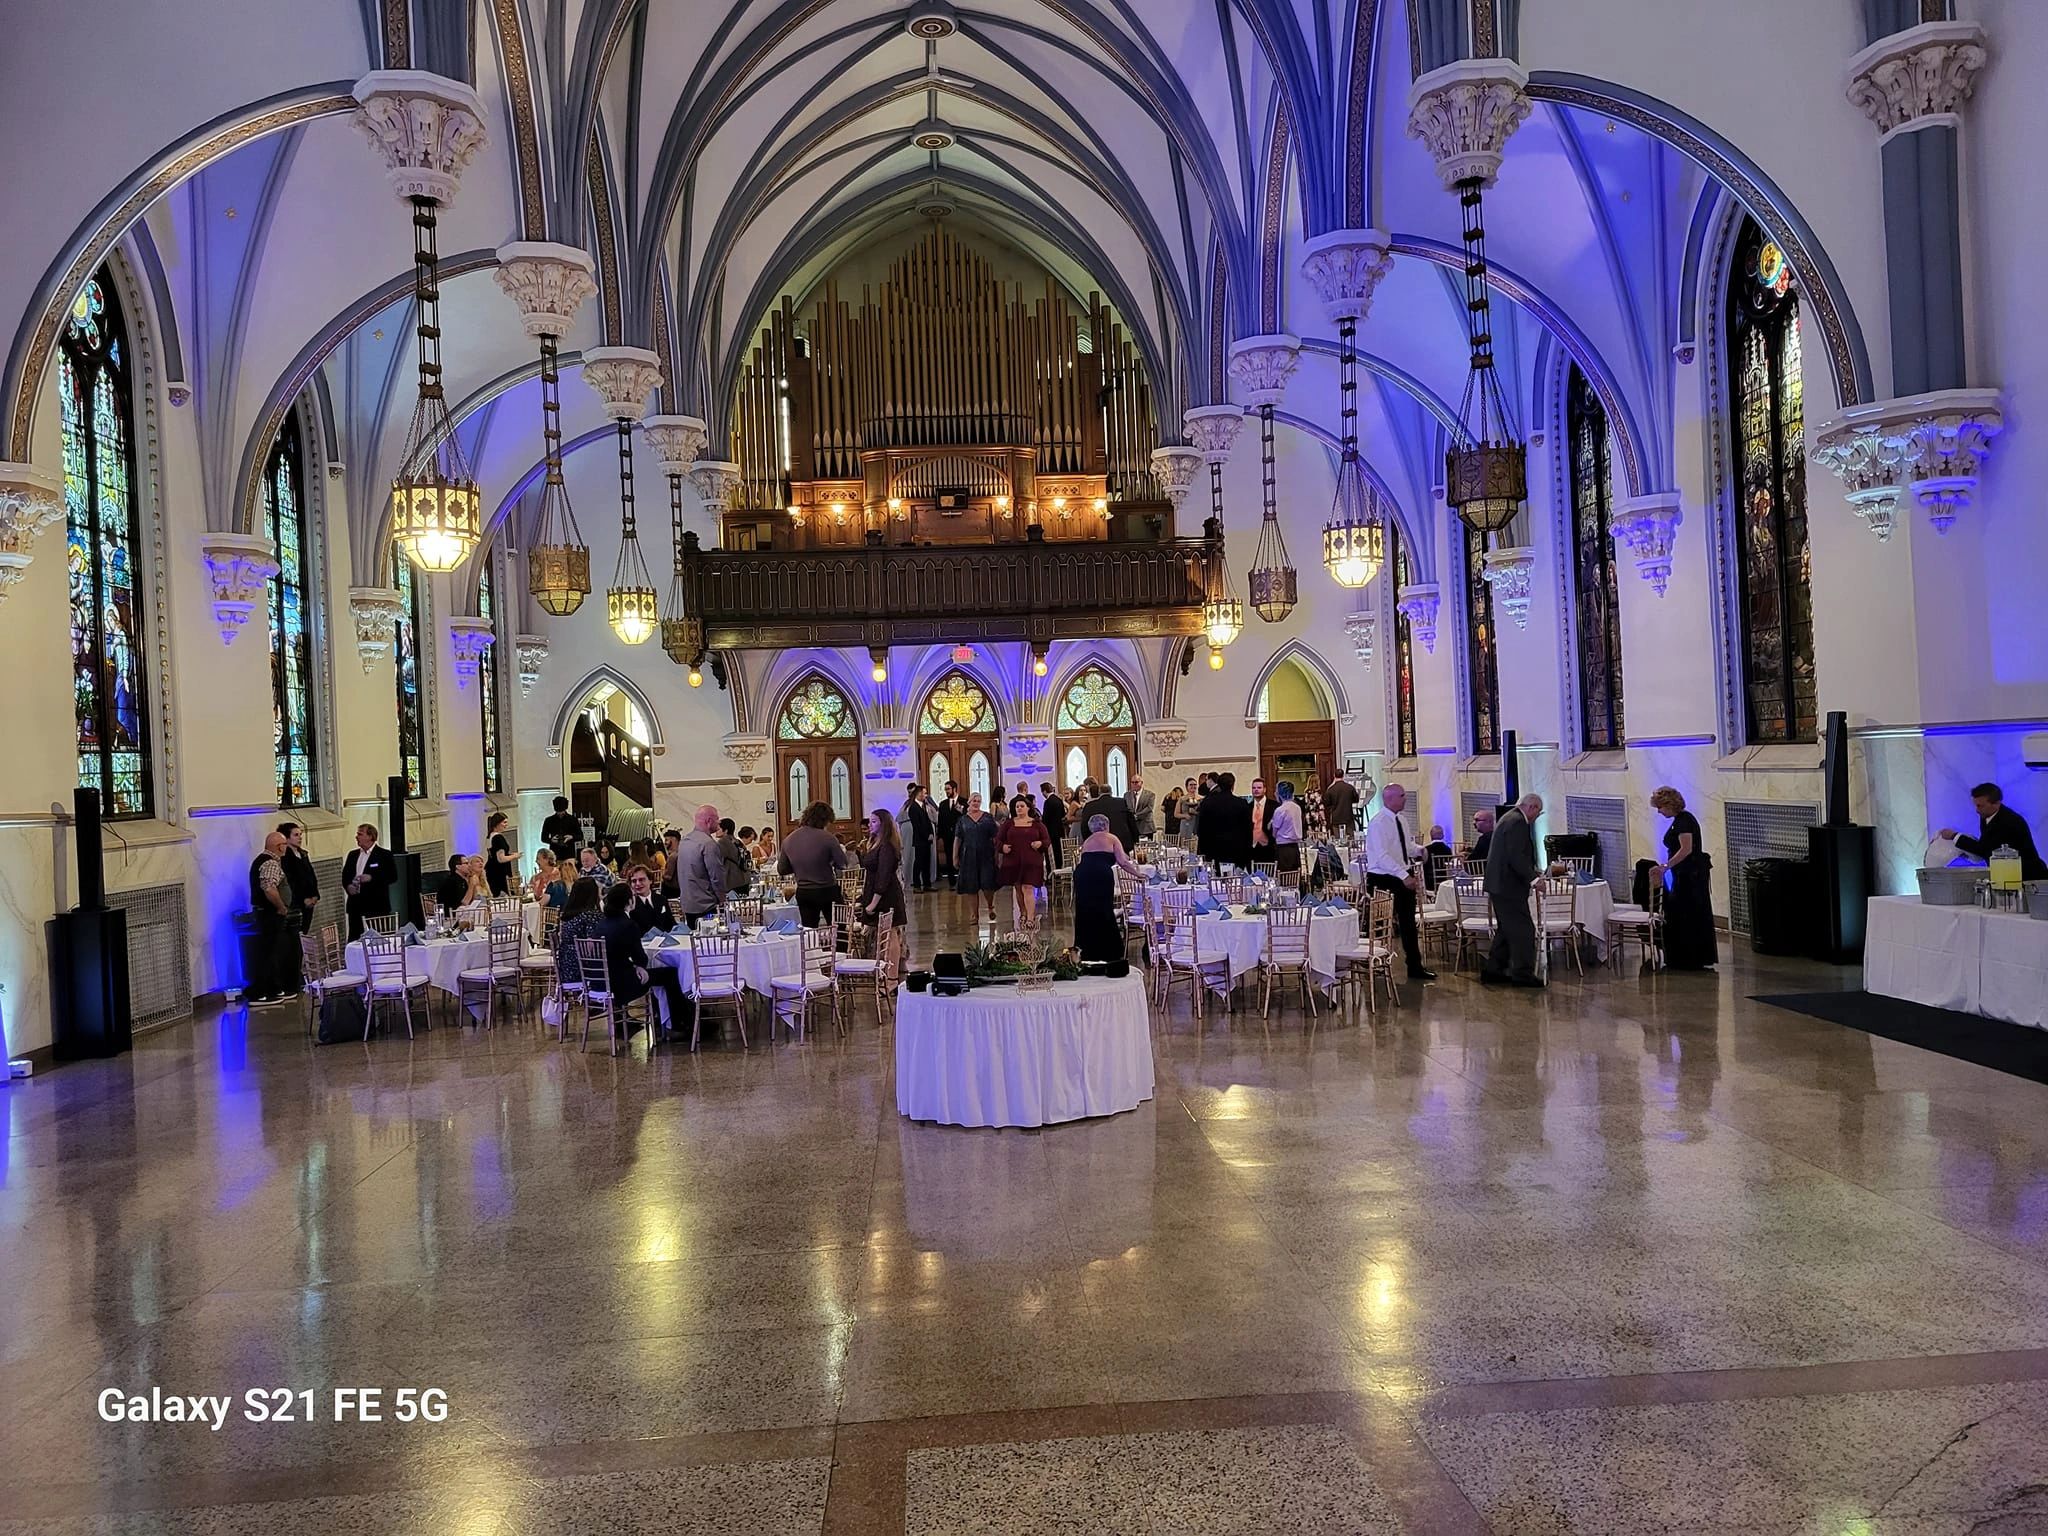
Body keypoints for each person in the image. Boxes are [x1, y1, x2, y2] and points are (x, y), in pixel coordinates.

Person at [594, 882, 686, 1042]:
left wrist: (636, 966)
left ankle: (664, 1020)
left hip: (601, 982)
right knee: (670, 974)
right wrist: (639, 966)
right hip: (622, 985)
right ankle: (676, 1024)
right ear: (629, 901)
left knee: (656, 974)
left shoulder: (601, 924)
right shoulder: (628, 925)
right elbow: (641, 957)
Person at [1362, 784, 1435, 983]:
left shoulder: (1401, 819)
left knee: (1408, 923)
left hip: (1402, 873)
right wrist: (1403, 876)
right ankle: (1372, 963)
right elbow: (1382, 856)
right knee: (1380, 923)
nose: (1405, 799)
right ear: (1390, 799)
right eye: (1402, 796)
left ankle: (1415, 966)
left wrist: (1419, 850)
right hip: (1383, 877)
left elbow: (1405, 846)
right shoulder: (1378, 823)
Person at [1651, 786, 1719, 970]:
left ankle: (1690, 957)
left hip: (1691, 875)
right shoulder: (1680, 820)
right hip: (1685, 873)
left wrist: (1666, 866)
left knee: (1687, 914)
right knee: (1683, 913)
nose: (1659, 811)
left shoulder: (1684, 821)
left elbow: (1686, 849)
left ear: (1668, 804)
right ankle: (1684, 957)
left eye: (1660, 807)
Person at [1482, 794, 1545, 988]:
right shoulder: (1517, 822)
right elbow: (1516, 856)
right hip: (1508, 886)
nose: (1537, 817)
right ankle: (1522, 974)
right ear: (1532, 807)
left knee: (1507, 929)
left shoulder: (1508, 818)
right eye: (1539, 812)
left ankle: (1493, 970)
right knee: (1524, 930)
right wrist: (1534, 879)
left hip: (1500, 885)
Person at [1941, 781, 2048, 882]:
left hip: (2027, 877)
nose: (1977, 810)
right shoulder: (1988, 815)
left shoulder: (2008, 821)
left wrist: (1954, 836)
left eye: (1980, 806)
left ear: (1996, 804)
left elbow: (1984, 849)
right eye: (1976, 805)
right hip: (2009, 875)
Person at [1072, 813, 1142, 963]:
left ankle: (1086, 949)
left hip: (1081, 874)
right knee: (1104, 908)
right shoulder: (1112, 838)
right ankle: (1108, 950)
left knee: (1085, 910)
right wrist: (1138, 874)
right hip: (1101, 874)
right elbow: (1123, 862)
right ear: (1107, 825)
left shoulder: (1087, 841)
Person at [779, 801, 853, 926]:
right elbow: (843, 864)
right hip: (828, 889)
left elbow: (782, 869)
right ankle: (838, 940)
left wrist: (799, 866)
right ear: (825, 820)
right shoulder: (828, 838)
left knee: (809, 930)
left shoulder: (788, 840)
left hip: (804, 891)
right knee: (839, 927)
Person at [247, 830, 298, 1005]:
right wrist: (281, 907)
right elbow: (269, 888)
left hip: (267, 914)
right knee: (268, 953)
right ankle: (261, 992)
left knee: (272, 952)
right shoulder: (270, 863)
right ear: (279, 847)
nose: (286, 848)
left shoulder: (264, 860)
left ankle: (274, 988)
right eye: (285, 845)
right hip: (270, 914)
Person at [996, 794, 1050, 930]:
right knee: (1018, 888)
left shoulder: (1037, 824)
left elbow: (1047, 840)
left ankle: (1031, 917)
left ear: (1028, 808)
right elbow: (998, 840)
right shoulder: (1009, 824)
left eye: (1022, 806)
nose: (1019, 808)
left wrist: (1040, 843)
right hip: (1013, 861)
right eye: (1017, 806)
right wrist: (1003, 847)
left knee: (1028, 888)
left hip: (1031, 861)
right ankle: (1023, 912)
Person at [672, 804, 727, 927]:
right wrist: (722, 899)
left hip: (688, 903)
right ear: (709, 821)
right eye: (717, 819)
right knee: (711, 937)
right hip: (706, 904)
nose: (719, 822)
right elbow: (716, 876)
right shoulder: (708, 844)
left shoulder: (684, 842)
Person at [953, 790, 1002, 927]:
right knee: (971, 886)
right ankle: (974, 915)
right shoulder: (962, 820)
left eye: (978, 801)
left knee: (987, 884)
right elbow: (957, 839)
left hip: (986, 855)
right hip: (968, 856)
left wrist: (998, 855)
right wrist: (955, 856)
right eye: (974, 801)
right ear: (969, 802)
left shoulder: (987, 818)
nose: (976, 803)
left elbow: (995, 838)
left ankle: (990, 906)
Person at [340, 823, 395, 940]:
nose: (356, 837)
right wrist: (349, 886)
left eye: (360, 834)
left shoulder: (384, 855)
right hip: (356, 904)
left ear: (370, 836)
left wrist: (371, 878)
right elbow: (345, 876)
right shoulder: (353, 855)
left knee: (379, 939)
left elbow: (392, 876)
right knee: (355, 938)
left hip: (376, 905)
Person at [860, 807, 908, 930]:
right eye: (870, 821)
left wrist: (873, 904)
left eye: (874, 822)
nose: (869, 825)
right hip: (873, 893)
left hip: (886, 897)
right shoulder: (875, 843)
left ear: (883, 825)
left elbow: (883, 876)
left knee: (889, 934)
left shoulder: (886, 847)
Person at [277, 821, 319, 935]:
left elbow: (311, 875)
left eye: (300, 835)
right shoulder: (285, 857)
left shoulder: (303, 854)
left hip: (310, 900)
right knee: (297, 933)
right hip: (296, 903)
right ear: (286, 838)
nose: (300, 838)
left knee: (305, 931)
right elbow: (291, 881)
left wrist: (315, 895)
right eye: (296, 835)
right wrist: (303, 899)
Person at [1078, 778, 1138, 852]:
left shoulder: (1090, 806)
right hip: (1122, 841)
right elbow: (1131, 821)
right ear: (1111, 792)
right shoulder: (1121, 802)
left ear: (1099, 793)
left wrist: (1088, 840)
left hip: (1099, 844)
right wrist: (1135, 839)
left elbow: (1084, 826)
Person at [1194, 771, 1239, 865]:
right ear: (1233, 785)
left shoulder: (1209, 801)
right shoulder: (1240, 803)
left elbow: (1202, 827)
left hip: (1212, 844)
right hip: (1232, 845)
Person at [623, 862, 676, 937]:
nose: (638, 884)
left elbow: (671, 923)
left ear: (650, 880)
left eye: (641, 880)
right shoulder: (630, 905)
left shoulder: (661, 899)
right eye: (634, 881)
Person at [903, 784, 934, 892]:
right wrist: (926, 835)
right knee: (919, 862)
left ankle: (927, 884)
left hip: (927, 840)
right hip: (920, 840)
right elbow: (917, 825)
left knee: (926, 863)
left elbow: (927, 821)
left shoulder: (923, 806)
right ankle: (917, 885)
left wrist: (931, 833)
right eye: (924, 793)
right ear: (919, 793)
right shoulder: (913, 808)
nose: (926, 795)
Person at [1269, 782, 1304, 876]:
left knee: (1284, 876)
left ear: (1279, 793)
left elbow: (1274, 831)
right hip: (1295, 847)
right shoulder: (1297, 808)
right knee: (1295, 876)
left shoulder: (1280, 810)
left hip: (1283, 848)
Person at [716, 817, 754, 896]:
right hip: (744, 880)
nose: (716, 830)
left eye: (718, 829)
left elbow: (717, 862)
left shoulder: (722, 842)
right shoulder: (738, 842)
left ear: (725, 831)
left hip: (733, 882)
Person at [935, 781, 962, 888]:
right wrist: (940, 836)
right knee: (949, 857)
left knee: (961, 856)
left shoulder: (964, 802)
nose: (946, 791)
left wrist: (961, 810)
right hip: (947, 836)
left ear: (954, 789)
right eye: (945, 789)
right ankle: (951, 882)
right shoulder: (943, 804)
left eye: (948, 789)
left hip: (960, 836)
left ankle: (962, 880)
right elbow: (941, 821)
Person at [485, 811, 516, 897]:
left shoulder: (489, 837)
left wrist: (509, 855)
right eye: (504, 822)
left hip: (492, 871)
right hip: (500, 872)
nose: (506, 825)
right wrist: (514, 856)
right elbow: (501, 859)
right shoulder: (498, 838)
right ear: (497, 823)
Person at [540, 796, 580, 860]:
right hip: (555, 854)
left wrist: (571, 837)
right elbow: (543, 838)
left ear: (565, 808)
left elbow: (580, 836)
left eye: (562, 811)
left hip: (569, 854)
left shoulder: (573, 820)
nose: (560, 813)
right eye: (558, 811)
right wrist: (551, 840)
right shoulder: (549, 820)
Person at [1322, 771, 1360, 839]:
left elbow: (1326, 804)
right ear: (1343, 775)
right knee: (1350, 839)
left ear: (1334, 775)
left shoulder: (1331, 789)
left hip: (1336, 817)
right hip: (1348, 816)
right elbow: (1356, 800)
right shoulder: (1350, 788)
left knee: (1337, 839)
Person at [1040, 782, 1068, 872]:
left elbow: (1045, 818)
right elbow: (1063, 814)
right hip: (1059, 830)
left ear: (1044, 791)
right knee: (1058, 851)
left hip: (1050, 831)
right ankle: (1060, 868)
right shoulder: (1059, 800)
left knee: (1050, 853)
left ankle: (1051, 871)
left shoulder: (1048, 802)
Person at [1421, 825, 1455, 893]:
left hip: (1430, 882)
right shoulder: (1448, 850)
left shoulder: (1426, 849)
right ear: (1443, 836)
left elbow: (1423, 865)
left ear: (1431, 836)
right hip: (1445, 881)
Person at [1248, 778, 1275, 860]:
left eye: (1259, 788)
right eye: (1254, 788)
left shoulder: (1274, 806)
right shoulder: (1248, 807)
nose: (1256, 790)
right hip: (1251, 847)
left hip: (1269, 846)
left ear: (1265, 789)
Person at [1126, 774, 1156, 842]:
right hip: (1132, 827)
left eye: (1136, 782)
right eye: (1132, 782)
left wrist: (1136, 816)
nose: (1134, 784)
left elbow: (1149, 808)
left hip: (1146, 827)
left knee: (1146, 846)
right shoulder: (1127, 795)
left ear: (1141, 783)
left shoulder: (1150, 794)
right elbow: (1126, 808)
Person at [1301, 774, 1327, 840]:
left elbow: (1306, 805)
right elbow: (1320, 807)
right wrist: (1324, 819)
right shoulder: (1317, 793)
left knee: (1311, 836)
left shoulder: (1306, 793)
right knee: (1319, 837)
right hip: (1316, 817)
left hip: (1308, 817)